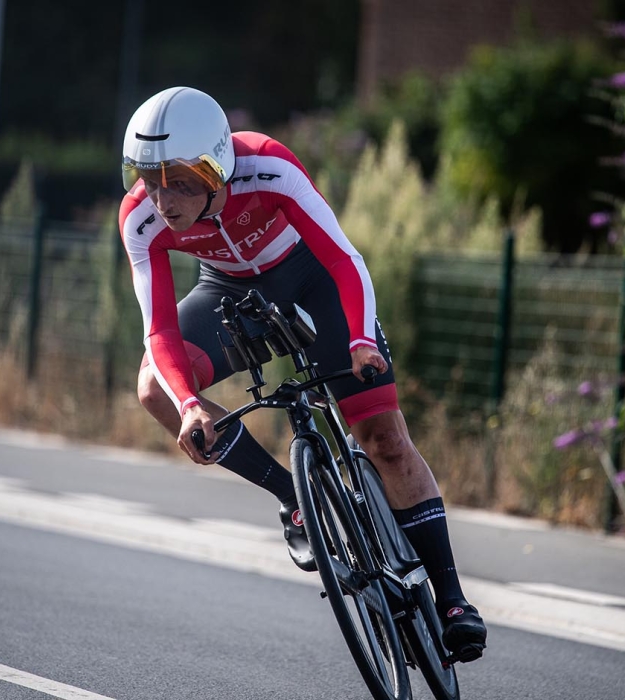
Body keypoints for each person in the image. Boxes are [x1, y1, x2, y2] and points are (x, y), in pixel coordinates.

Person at [118, 86, 487, 659]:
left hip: (311, 279)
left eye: (182, 180)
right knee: (155, 388)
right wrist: (190, 403)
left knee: (385, 440)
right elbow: (160, 331)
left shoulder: (267, 165)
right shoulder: (141, 216)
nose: (163, 197)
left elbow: (344, 259)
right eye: (149, 176)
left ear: (218, 166)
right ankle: (295, 499)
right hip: (225, 294)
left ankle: (453, 600)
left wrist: (362, 339)